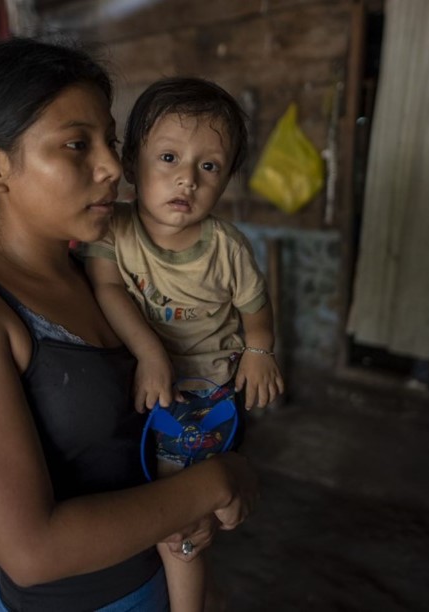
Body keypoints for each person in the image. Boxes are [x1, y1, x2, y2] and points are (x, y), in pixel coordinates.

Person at [0, 38, 259, 612]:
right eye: (76, 144)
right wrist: (217, 483)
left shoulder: (102, 276)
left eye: (111, 142)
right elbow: (33, 550)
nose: (114, 166)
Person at [82, 77, 284, 612]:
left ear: (227, 180)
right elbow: (106, 287)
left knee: (180, 522)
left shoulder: (227, 249)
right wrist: (150, 353)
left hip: (203, 393)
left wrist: (260, 352)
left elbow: (255, 309)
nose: (187, 180)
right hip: (152, 377)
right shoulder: (114, 232)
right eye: (168, 157)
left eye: (209, 166)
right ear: (131, 165)